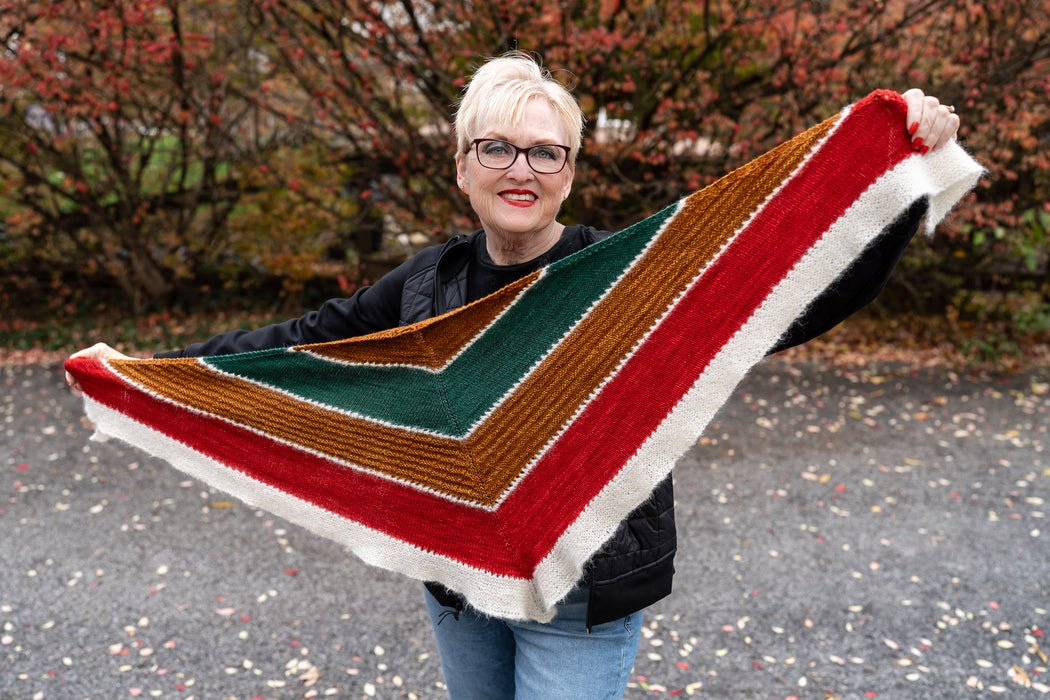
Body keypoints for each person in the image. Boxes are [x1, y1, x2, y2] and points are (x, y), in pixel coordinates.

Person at [67, 51, 961, 699]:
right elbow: (298, 347)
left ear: (569, 174)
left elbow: (792, 299)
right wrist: (149, 374)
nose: (520, 169)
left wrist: (900, 179)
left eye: (545, 152)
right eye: (496, 148)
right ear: (464, 167)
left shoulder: (619, 275)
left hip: (585, 590)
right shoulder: (424, 284)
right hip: (463, 583)